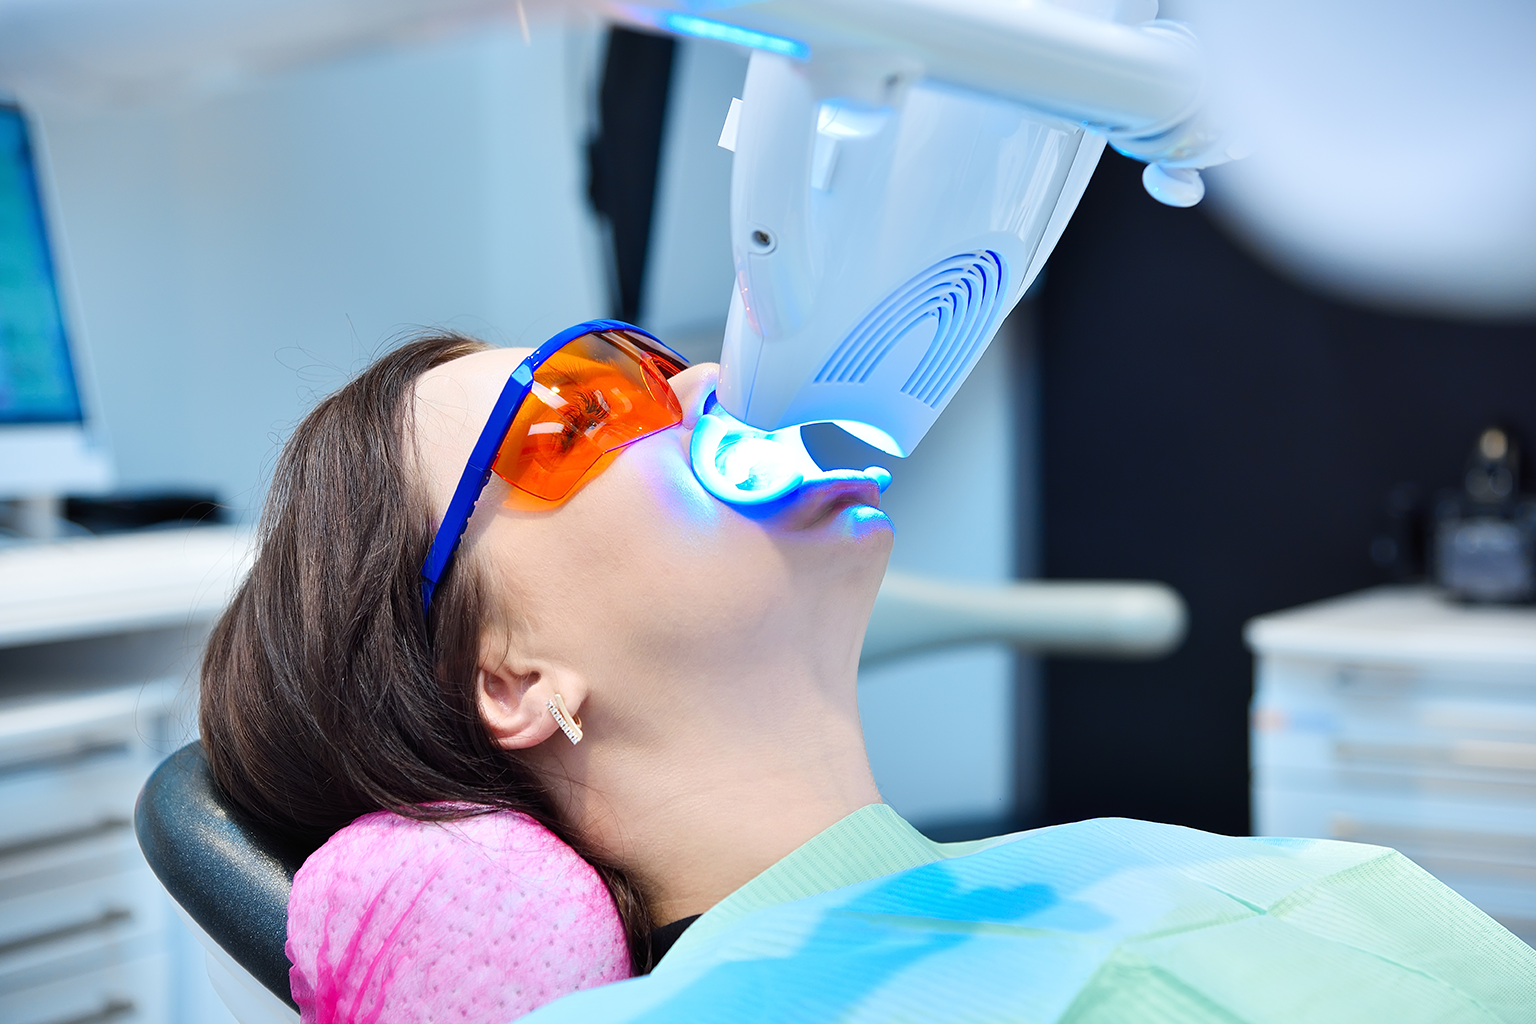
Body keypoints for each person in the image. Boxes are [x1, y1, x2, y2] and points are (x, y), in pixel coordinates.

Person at [203, 323, 1536, 1024]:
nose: (711, 379)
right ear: (510, 675)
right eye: (583, 404)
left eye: (658, 362)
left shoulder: (1179, 863)